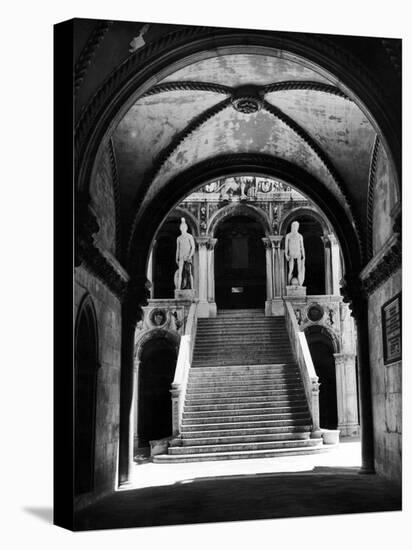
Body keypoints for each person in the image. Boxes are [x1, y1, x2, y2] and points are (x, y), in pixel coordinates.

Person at [175, 217, 195, 290]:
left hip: (188, 256)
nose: (183, 228)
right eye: (181, 227)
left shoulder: (189, 236)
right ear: (180, 228)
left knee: (189, 273)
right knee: (180, 273)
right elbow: (178, 249)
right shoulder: (179, 238)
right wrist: (176, 257)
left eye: (184, 227)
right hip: (181, 257)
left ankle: (192, 288)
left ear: (186, 228)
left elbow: (193, 247)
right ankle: (178, 288)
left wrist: (190, 256)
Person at [285, 221, 305, 285]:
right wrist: (286, 254)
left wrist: (304, 255)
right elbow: (286, 247)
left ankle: (300, 284)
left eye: (296, 226)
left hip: (298, 254)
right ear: (292, 227)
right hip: (291, 255)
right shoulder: (288, 236)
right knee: (291, 270)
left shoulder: (300, 236)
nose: (295, 228)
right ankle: (288, 284)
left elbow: (302, 247)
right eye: (294, 226)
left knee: (300, 270)